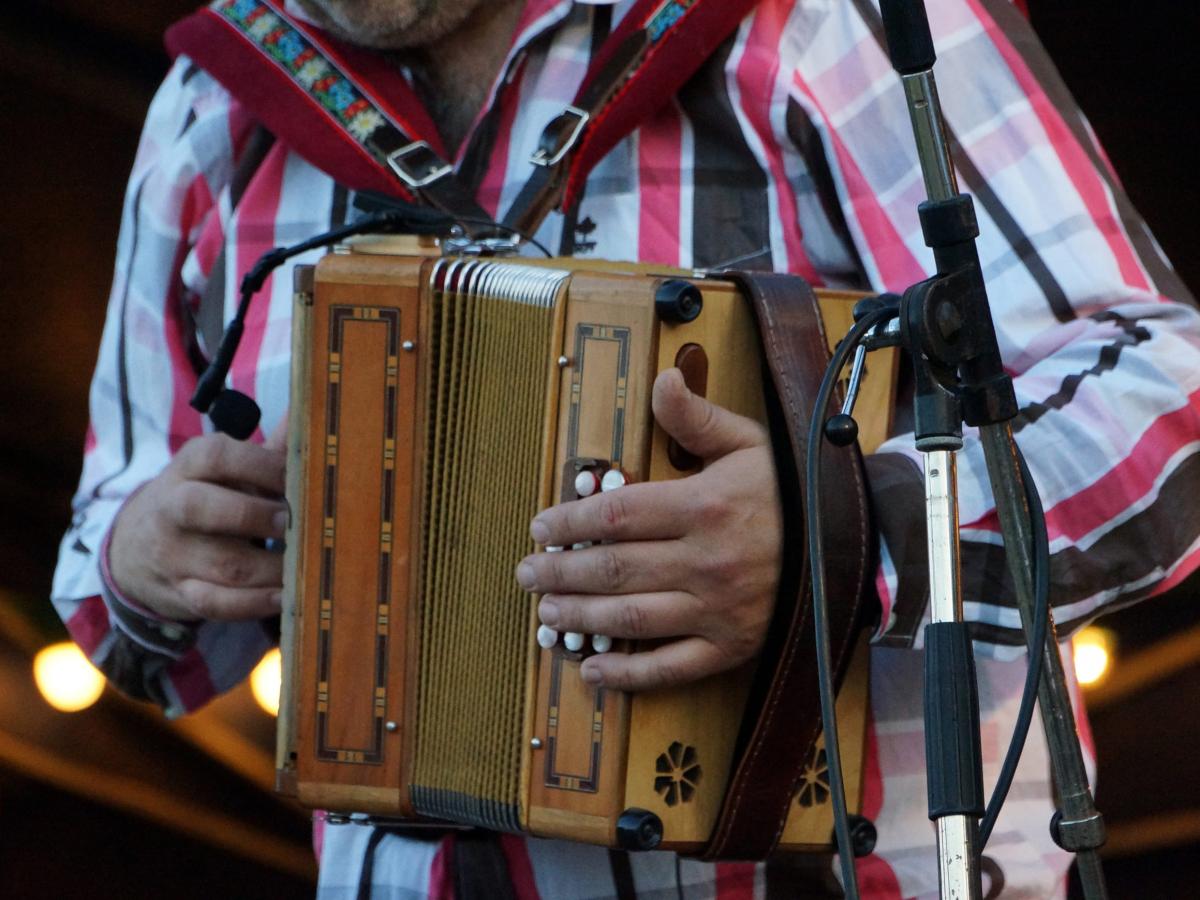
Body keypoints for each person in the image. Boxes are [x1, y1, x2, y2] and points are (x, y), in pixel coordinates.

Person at [51, 0, 1200, 896]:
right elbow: (110, 559)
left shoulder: (816, 20)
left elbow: (1166, 395)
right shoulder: (214, 106)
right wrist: (147, 558)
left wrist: (837, 533)